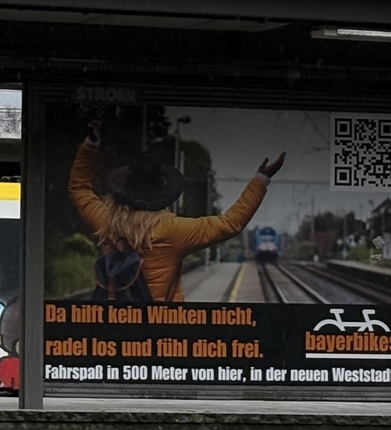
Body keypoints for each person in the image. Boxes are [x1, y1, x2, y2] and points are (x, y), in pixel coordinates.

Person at [69, 130, 284, 303]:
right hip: (165, 332)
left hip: (118, 328)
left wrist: (90, 145)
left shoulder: (108, 223)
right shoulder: (173, 230)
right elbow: (231, 223)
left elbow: (79, 189)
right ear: (161, 193)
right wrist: (261, 178)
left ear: (124, 190)